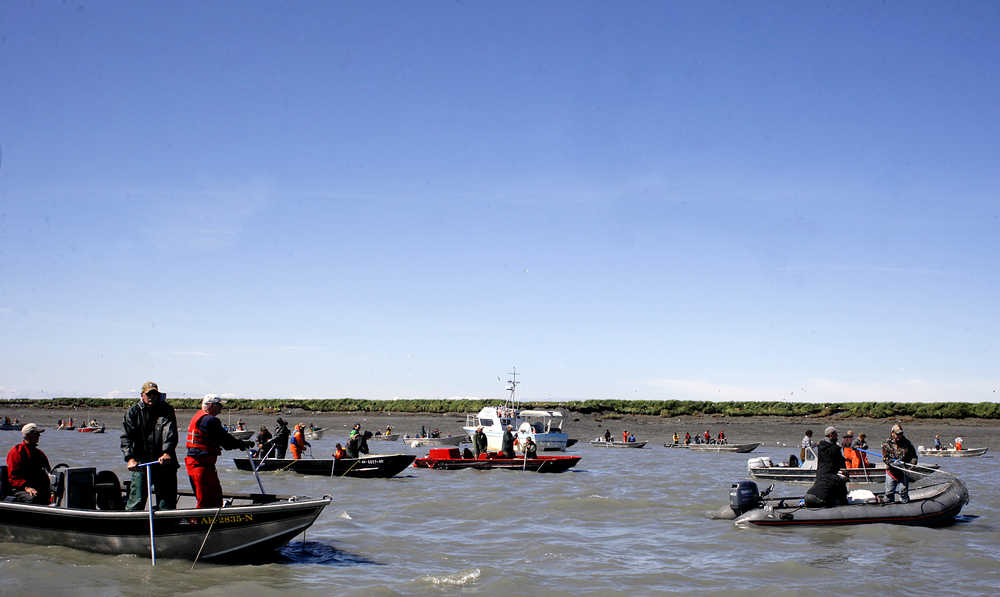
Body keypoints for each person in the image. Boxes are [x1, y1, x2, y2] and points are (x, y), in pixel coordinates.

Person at [184, 395, 254, 508]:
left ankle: (208, 518)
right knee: (206, 500)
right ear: (211, 405)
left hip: (197, 464)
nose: (221, 408)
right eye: (219, 405)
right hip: (201, 466)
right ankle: (200, 522)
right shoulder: (210, 420)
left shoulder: (199, 417)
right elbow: (226, 441)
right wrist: (242, 444)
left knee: (212, 497)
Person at [121, 381, 179, 511]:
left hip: (164, 461)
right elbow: (126, 437)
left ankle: (167, 526)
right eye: (149, 394)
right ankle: (131, 525)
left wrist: (167, 452)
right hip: (141, 461)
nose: (152, 397)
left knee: (167, 503)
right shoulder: (133, 412)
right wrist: (129, 458)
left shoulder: (166, 409)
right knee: (137, 499)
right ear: (142, 395)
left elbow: (170, 432)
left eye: (155, 394)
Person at [6, 423, 52, 504]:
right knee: (33, 498)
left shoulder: (39, 453)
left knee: (48, 495)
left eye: (39, 434)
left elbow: (48, 470)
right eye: (36, 434)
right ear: (28, 436)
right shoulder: (16, 452)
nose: (39, 436)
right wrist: (26, 487)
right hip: (19, 489)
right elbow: (13, 477)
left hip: (36, 487)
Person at [804, 426, 848, 507]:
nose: (837, 437)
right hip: (828, 479)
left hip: (813, 487)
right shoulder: (835, 449)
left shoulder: (821, 446)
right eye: (836, 435)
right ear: (831, 435)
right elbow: (837, 460)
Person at [881, 424, 918, 503]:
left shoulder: (907, 443)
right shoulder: (886, 443)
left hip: (903, 471)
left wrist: (912, 464)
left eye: (901, 433)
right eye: (897, 434)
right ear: (892, 433)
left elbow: (914, 456)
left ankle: (906, 505)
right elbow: (885, 458)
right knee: (889, 493)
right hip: (891, 471)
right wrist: (892, 462)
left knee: (903, 493)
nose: (899, 435)